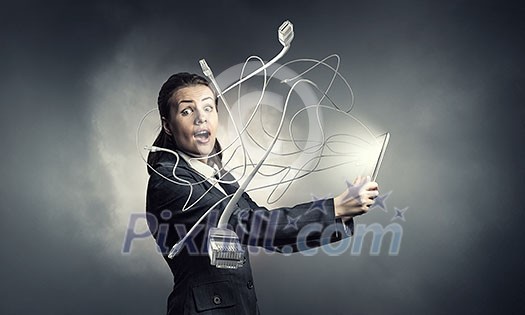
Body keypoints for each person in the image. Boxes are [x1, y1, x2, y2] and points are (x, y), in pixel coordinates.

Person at [145, 72, 379, 315]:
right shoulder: (167, 180)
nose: (201, 118)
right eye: (186, 111)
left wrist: (339, 216)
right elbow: (247, 226)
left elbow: (270, 231)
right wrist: (334, 208)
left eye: (208, 107)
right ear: (167, 125)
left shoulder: (219, 176)